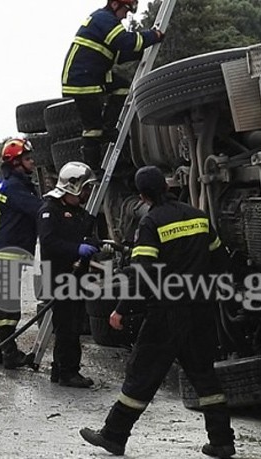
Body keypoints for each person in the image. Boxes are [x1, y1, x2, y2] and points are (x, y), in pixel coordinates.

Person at [80, 166, 236, 457]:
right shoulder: (199, 217)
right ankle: (222, 441)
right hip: (200, 310)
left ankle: (114, 435)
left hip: (166, 313)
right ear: (166, 186)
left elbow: (142, 273)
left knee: (142, 374)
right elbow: (222, 262)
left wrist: (121, 309)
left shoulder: (151, 223)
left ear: (142, 195)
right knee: (204, 376)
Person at [61, 0, 164, 172]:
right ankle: (93, 170)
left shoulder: (103, 21)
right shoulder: (105, 19)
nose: (126, 16)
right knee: (93, 128)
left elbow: (118, 54)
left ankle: (109, 128)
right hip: (82, 80)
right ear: (115, 4)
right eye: (126, 10)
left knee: (123, 87)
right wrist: (153, 36)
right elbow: (125, 42)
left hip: (92, 74)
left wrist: (141, 52)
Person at [37, 161, 100, 388]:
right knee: (67, 327)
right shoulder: (49, 211)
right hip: (59, 276)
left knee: (73, 323)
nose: (86, 194)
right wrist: (76, 249)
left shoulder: (77, 212)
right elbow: (49, 242)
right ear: (72, 187)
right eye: (84, 189)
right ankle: (67, 372)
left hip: (76, 277)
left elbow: (82, 234)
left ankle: (61, 369)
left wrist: (91, 243)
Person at [0, 138, 43, 369]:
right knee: (7, 307)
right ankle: (10, 355)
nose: (32, 162)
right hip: (7, 252)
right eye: (27, 159)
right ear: (16, 163)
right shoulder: (16, 188)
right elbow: (37, 210)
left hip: (3, 251)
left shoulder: (16, 185)